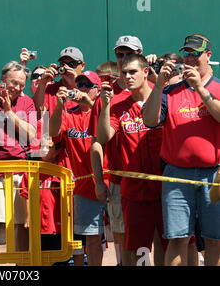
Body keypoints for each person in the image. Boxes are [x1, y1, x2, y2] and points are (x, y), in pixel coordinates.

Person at [143, 34, 220, 266]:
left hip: (213, 175)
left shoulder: (217, 87)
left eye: (195, 54)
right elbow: (149, 120)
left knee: (214, 240)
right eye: (187, 54)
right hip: (177, 175)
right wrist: (158, 84)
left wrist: (199, 88)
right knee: (177, 239)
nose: (190, 58)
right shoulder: (171, 92)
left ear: (208, 56)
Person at [97, 53, 168, 266]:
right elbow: (102, 137)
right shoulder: (118, 105)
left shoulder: (164, 99)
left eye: (133, 72)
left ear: (146, 72)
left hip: (166, 188)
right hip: (135, 190)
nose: (128, 77)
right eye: (124, 73)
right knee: (141, 249)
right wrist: (105, 105)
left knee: (167, 243)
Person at [88, 35, 150, 266]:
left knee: (154, 242)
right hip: (120, 181)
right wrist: (98, 181)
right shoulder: (107, 96)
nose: (123, 60)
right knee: (125, 244)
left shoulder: (154, 90)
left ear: (140, 56)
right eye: (119, 54)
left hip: (154, 180)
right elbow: (97, 143)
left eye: (128, 54)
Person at [49, 70, 108, 266]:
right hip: (84, 185)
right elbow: (54, 132)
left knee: (122, 234)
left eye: (87, 86)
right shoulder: (69, 114)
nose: (82, 89)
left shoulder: (104, 109)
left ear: (97, 90)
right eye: (79, 85)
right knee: (90, 238)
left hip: (110, 180)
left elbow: (106, 132)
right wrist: (59, 106)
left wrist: (90, 105)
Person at [0, 61, 37, 252]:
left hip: (20, 172)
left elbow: (31, 133)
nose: (18, 88)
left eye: (22, 85)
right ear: (3, 80)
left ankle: (20, 267)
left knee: (21, 224)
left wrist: (8, 111)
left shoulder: (27, 102)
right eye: (14, 83)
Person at [33, 46, 85, 120]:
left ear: (82, 66)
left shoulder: (89, 86)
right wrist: (42, 83)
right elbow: (36, 114)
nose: (66, 67)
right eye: (63, 64)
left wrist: (76, 85)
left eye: (72, 64)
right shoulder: (51, 90)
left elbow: (95, 111)